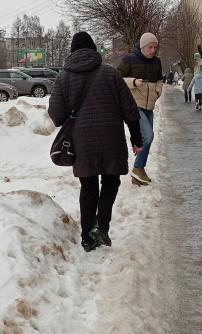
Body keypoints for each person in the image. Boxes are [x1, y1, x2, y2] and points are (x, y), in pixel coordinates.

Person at [49, 32, 143, 252]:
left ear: (72, 52)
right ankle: (101, 226)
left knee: (88, 187)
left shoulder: (63, 78)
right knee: (111, 182)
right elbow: (130, 111)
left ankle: (86, 238)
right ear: (93, 49)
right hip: (112, 140)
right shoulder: (110, 74)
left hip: (82, 143)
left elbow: (56, 116)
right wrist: (136, 140)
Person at [117, 32, 163, 186]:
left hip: (149, 105)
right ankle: (138, 168)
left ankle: (139, 172)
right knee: (148, 135)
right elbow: (117, 78)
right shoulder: (129, 59)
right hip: (134, 104)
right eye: (150, 47)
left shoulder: (156, 61)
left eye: (155, 47)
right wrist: (134, 82)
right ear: (142, 46)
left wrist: (158, 91)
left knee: (147, 138)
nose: (153, 50)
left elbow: (159, 80)